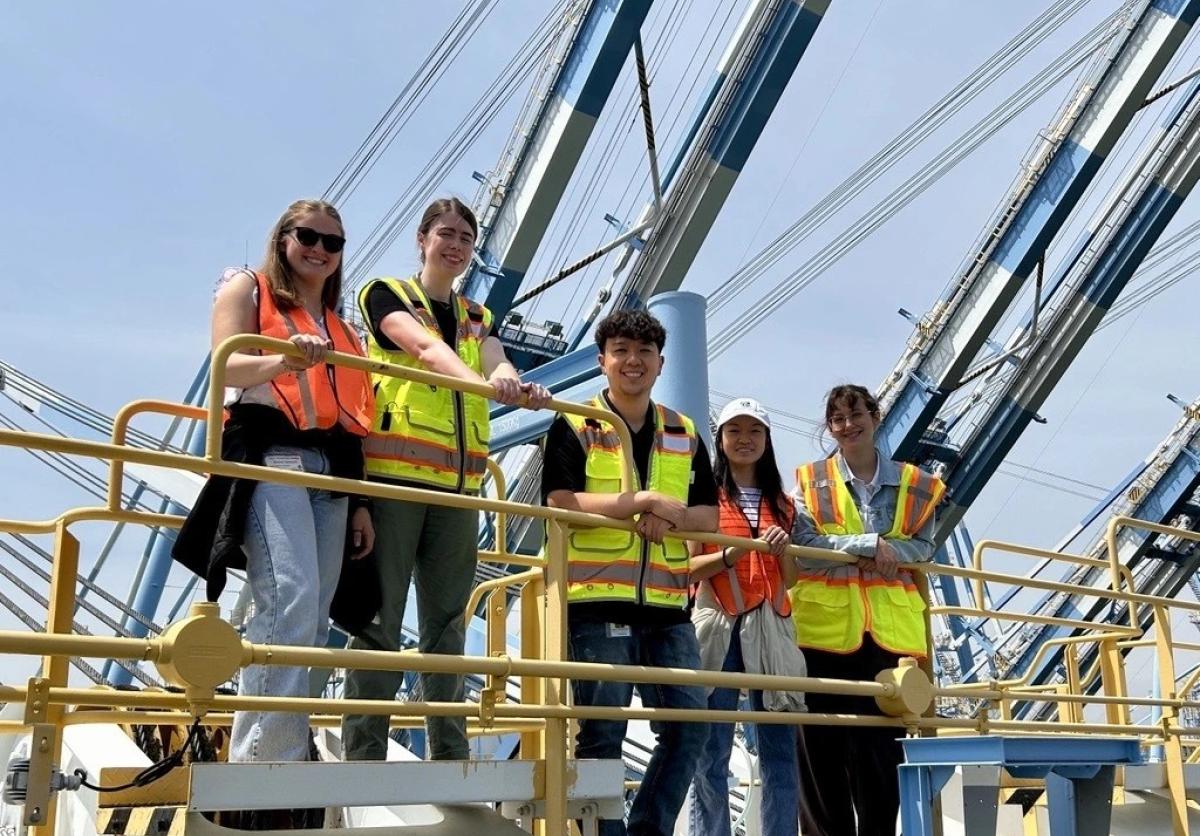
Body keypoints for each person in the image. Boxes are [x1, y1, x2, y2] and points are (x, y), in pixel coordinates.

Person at [342, 196, 550, 762]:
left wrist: (514, 383)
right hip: (393, 483)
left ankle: (450, 754)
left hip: (459, 490)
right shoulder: (384, 294)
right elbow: (424, 348)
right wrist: (481, 384)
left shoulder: (478, 317)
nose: (456, 245)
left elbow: (496, 360)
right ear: (422, 239)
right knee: (380, 620)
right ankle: (364, 756)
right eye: (446, 233)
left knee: (447, 625)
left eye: (466, 237)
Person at [175, 198, 376, 768]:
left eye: (332, 242)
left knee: (314, 614)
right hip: (272, 456)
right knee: (289, 597)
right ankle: (264, 758)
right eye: (308, 236)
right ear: (283, 238)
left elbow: (351, 422)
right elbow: (226, 363)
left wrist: (361, 501)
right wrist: (286, 360)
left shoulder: (343, 328)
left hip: (331, 470)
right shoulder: (248, 288)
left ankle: (287, 740)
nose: (319, 249)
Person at [542, 309, 719, 836]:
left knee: (690, 728)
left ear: (661, 363)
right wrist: (638, 502)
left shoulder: (685, 432)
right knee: (602, 735)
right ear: (602, 361)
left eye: (644, 351)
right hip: (596, 601)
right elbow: (558, 500)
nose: (633, 361)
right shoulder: (575, 422)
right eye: (620, 350)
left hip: (668, 606)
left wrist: (668, 514)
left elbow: (709, 517)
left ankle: (646, 831)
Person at [790, 384, 944, 836]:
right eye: (837, 419)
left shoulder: (917, 484)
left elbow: (924, 546)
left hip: (889, 640)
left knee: (880, 757)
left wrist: (880, 550)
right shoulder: (809, 481)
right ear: (829, 427)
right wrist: (868, 545)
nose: (848, 425)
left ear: (876, 417)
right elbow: (804, 547)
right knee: (819, 754)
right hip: (823, 634)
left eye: (856, 415)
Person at [688, 397, 805, 836]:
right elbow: (687, 569)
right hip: (720, 625)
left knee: (781, 750)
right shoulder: (704, 499)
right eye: (734, 430)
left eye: (754, 431)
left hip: (771, 627)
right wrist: (729, 555)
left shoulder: (784, 504)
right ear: (720, 439)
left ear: (767, 440)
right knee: (711, 751)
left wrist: (784, 550)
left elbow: (790, 578)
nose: (745, 439)